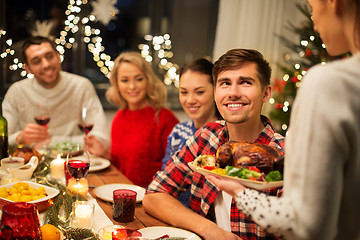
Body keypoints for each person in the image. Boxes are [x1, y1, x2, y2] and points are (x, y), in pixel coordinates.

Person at [207, 0, 360, 239]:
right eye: (224, 83)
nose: (312, 19)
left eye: (311, 5)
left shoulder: (330, 83)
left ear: (334, 2)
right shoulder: (208, 136)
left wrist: (240, 192)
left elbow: (309, 226)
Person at [143, 48, 285, 240]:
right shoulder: (206, 137)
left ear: (266, 93)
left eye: (245, 82)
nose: (233, 93)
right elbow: (154, 195)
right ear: (216, 92)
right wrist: (209, 230)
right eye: (225, 83)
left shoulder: (283, 154)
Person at [84, 51, 179, 188]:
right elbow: (125, 165)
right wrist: (104, 154)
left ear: (148, 81)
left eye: (139, 79)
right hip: (120, 192)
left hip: (150, 198)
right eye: (125, 80)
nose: (132, 86)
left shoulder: (165, 119)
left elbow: (174, 172)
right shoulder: (119, 118)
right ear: (117, 84)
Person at [2, 36, 109, 147]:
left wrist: (52, 141)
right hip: (31, 162)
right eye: (36, 61)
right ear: (28, 69)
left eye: (50, 56)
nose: (46, 65)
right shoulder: (17, 91)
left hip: (72, 161)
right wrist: (19, 138)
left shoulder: (81, 86)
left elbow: (101, 138)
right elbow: (2, 138)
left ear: (59, 57)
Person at [161, 58, 222, 207]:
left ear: (215, 91)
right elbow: (164, 180)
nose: (190, 100)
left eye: (199, 92)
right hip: (174, 214)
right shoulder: (178, 132)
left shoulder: (226, 135)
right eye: (184, 92)